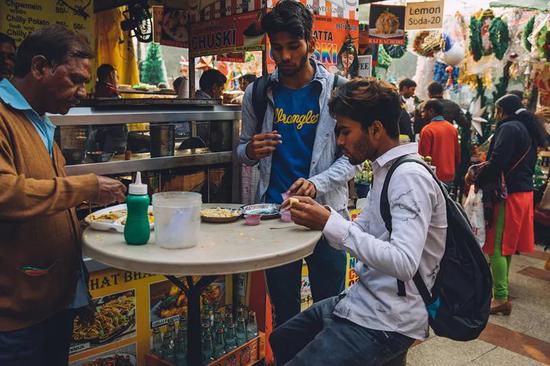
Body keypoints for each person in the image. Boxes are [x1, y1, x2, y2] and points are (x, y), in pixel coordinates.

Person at [270, 78, 446, 365]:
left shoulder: (407, 178)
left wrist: (329, 222)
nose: (339, 141)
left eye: (345, 131)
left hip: (387, 319)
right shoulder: (385, 170)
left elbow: (404, 262)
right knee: (283, 337)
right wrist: (320, 216)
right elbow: (361, 229)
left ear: (375, 129)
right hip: (363, 300)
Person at [0, 25, 127, 365]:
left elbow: (46, 198)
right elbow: (5, 193)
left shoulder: (40, 121)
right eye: (75, 80)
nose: (82, 92)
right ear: (40, 68)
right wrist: (87, 187)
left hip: (53, 303)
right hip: (15, 318)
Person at [237, 0, 358, 327]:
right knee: (284, 313)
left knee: (331, 310)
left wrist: (317, 183)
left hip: (326, 216)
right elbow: (240, 150)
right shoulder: (258, 93)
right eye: (278, 48)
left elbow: (353, 161)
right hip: (275, 216)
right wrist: (251, 150)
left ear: (311, 43)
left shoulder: (337, 92)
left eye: (294, 46)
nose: (286, 56)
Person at [466, 94, 547, 316]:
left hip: (507, 195)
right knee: (507, 245)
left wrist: (475, 176)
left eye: (497, 111)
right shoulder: (525, 128)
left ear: (502, 110)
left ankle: (500, 297)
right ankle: (500, 289)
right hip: (522, 193)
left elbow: (497, 162)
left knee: (497, 246)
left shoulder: (509, 128)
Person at [418, 99, 460, 187]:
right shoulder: (452, 128)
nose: (422, 115)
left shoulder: (427, 130)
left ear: (431, 111)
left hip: (433, 177)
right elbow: (457, 155)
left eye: (423, 112)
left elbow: (423, 156)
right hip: (450, 175)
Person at [88, 64, 128, 154]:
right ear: (111, 75)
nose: (117, 79)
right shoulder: (112, 92)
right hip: (114, 134)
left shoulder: (97, 89)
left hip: (98, 133)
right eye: (116, 76)